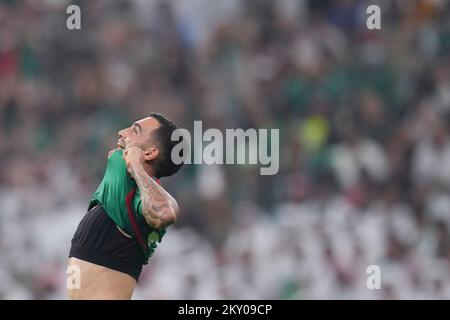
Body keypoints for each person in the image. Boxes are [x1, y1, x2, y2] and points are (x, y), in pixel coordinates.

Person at [67, 113, 183, 299]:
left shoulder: (134, 194)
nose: (122, 132)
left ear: (149, 153)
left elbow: (165, 213)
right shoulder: (117, 188)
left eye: (135, 130)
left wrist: (136, 167)